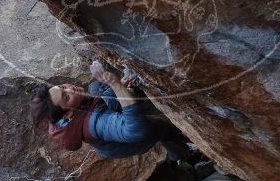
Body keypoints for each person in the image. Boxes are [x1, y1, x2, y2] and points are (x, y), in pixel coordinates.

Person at [30, 61, 191, 160]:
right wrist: (116, 85)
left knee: (95, 87)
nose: (71, 89)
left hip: (101, 120)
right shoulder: (97, 123)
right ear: (68, 113)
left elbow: (100, 100)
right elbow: (136, 130)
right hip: (126, 140)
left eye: (64, 87)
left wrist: (122, 85)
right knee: (160, 126)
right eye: (66, 97)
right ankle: (181, 156)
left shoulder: (62, 113)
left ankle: (129, 99)